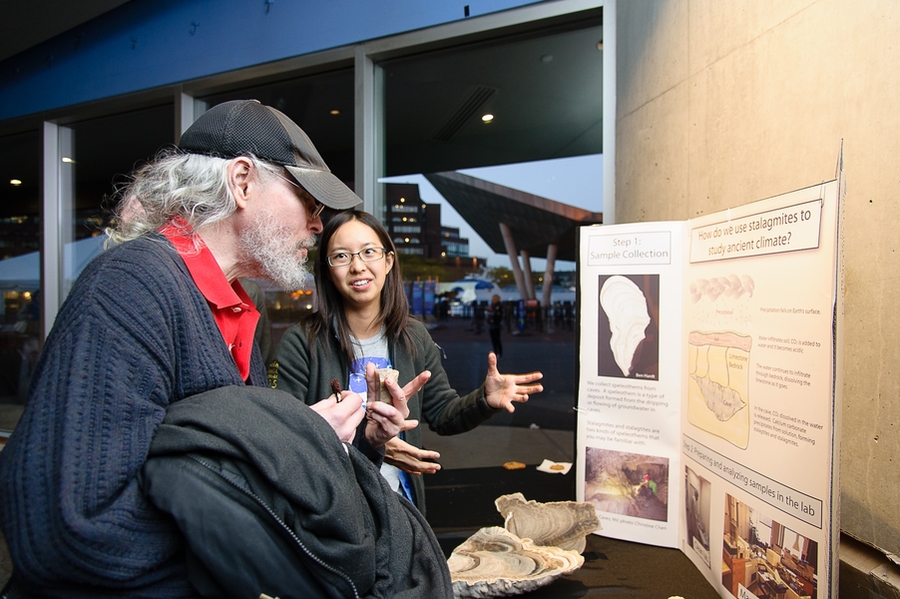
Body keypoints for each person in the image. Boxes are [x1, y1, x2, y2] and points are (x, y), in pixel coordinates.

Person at [0, 100, 452, 598]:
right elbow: (66, 528)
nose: (319, 225)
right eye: (309, 200)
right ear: (242, 181)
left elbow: (234, 474)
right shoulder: (131, 286)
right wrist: (284, 447)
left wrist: (350, 441)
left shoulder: (233, 307)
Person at [269, 210, 544, 515]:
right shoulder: (302, 343)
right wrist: (373, 447)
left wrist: (485, 400)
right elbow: (284, 439)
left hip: (399, 507)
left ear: (388, 261)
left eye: (369, 252)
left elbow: (442, 414)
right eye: (341, 256)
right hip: (328, 511)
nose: (358, 266)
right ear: (327, 269)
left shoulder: (413, 336)